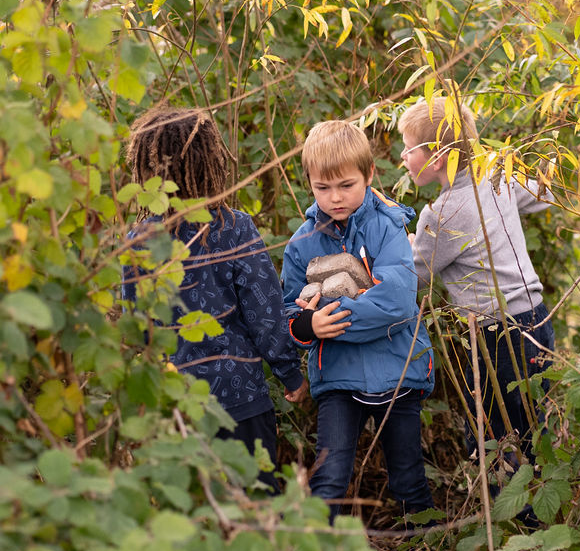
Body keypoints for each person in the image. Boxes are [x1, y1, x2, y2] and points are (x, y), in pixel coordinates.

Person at [121, 106, 307, 492]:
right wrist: (290, 374)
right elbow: (266, 313)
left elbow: (136, 326)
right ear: (211, 161)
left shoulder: (138, 241)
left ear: (147, 170)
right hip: (241, 399)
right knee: (255, 505)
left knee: (187, 509)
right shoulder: (234, 228)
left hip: (173, 403)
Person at [281, 120, 435, 522]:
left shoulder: (387, 226)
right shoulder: (301, 245)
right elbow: (288, 313)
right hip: (338, 378)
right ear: (309, 184)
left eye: (346, 185)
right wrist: (309, 327)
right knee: (329, 477)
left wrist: (329, 318)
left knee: (408, 478)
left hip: (398, 370)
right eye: (322, 187)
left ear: (368, 175)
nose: (335, 197)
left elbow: (397, 301)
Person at [398, 96, 555, 464]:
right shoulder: (496, 177)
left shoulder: (441, 214)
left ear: (437, 158)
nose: (402, 157)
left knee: (495, 440)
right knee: (535, 430)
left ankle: (507, 501)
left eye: (409, 149)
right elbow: (544, 194)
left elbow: (413, 276)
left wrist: (409, 246)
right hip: (537, 318)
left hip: (497, 336)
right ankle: (541, 493)